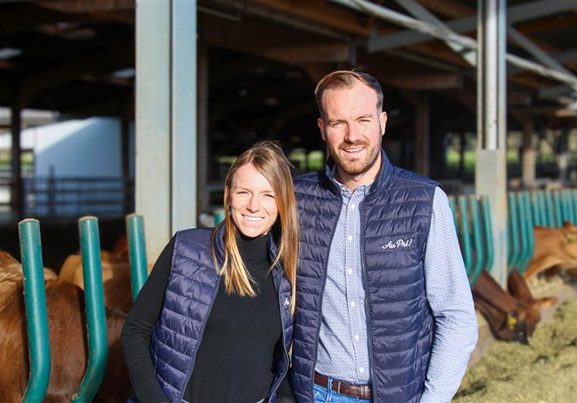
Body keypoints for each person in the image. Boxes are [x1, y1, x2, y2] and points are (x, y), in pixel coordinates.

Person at [291, 70, 478, 403]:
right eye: (338, 123)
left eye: (363, 120)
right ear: (322, 129)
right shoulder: (297, 199)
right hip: (316, 393)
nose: (352, 136)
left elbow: (456, 316)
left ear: (383, 122)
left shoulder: (423, 200)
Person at [122, 141, 298, 403]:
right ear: (228, 194)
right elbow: (135, 330)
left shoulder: (286, 271)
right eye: (243, 192)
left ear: (282, 202)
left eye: (268, 195)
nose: (253, 205)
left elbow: (278, 361)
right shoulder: (187, 250)